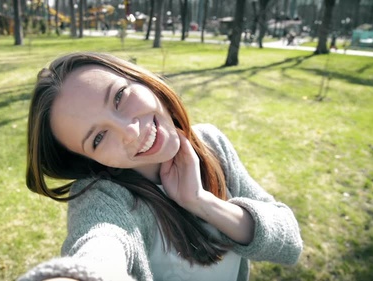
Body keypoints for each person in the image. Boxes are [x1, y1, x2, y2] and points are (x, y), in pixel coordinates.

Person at [18, 52, 303, 281]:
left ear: (142, 80)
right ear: (91, 160)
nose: (130, 131)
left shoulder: (212, 143)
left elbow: (289, 243)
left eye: (119, 97)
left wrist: (201, 202)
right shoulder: (102, 198)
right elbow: (98, 247)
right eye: (99, 137)